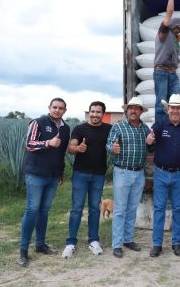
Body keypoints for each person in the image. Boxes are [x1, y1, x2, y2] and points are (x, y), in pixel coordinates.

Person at [17, 98, 70, 267]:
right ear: (49, 108)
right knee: (32, 209)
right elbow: (29, 144)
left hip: (53, 175)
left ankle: (40, 245)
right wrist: (48, 142)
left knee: (44, 211)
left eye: (60, 108)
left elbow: (61, 152)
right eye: (54, 107)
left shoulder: (66, 128)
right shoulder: (38, 122)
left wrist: (61, 172)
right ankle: (23, 250)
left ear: (64, 110)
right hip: (36, 174)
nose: (57, 110)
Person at [146, 94, 180, 257]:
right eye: (172, 107)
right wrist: (149, 141)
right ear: (168, 109)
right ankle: (157, 244)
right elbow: (151, 146)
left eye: (178, 108)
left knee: (178, 209)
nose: (175, 110)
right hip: (160, 173)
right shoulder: (159, 125)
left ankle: (176, 243)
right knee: (159, 209)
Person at [62, 101, 112, 258]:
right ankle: (70, 243)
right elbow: (71, 147)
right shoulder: (80, 129)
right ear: (89, 112)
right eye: (92, 111)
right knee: (76, 208)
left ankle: (93, 240)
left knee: (95, 209)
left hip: (98, 175)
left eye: (98, 112)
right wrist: (77, 149)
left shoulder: (109, 129)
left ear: (103, 114)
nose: (95, 114)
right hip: (80, 174)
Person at [106, 97, 151, 258]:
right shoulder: (118, 126)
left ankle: (128, 239)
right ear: (127, 111)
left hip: (139, 173)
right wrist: (114, 148)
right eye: (130, 108)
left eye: (137, 108)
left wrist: (151, 141)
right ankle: (117, 244)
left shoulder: (144, 128)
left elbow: (150, 143)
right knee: (120, 210)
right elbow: (109, 145)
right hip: (122, 172)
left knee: (132, 209)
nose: (133, 111)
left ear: (140, 112)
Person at [153, 0, 180, 123]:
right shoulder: (163, 33)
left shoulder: (175, 39)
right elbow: (169, 13)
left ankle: (173, 125)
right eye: (177, 28)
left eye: (179, 29)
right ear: (172, 26)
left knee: (176, 101)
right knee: (161, 102)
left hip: (173, 73)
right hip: (161, 72)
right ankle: (160, 128)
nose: (178, 31)